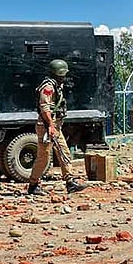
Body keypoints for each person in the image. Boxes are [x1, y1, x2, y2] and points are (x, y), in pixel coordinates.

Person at [27, 59, 88, 195]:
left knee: (64, 153)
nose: (64, 77)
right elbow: (44, 108)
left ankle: (70, 181)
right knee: (44, 157)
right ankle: (33, 184)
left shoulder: (56, 85)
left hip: (54, 126)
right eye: (62, 74)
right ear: (57, 74)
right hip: (47, 126)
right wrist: (50, 126)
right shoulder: (48, 87)